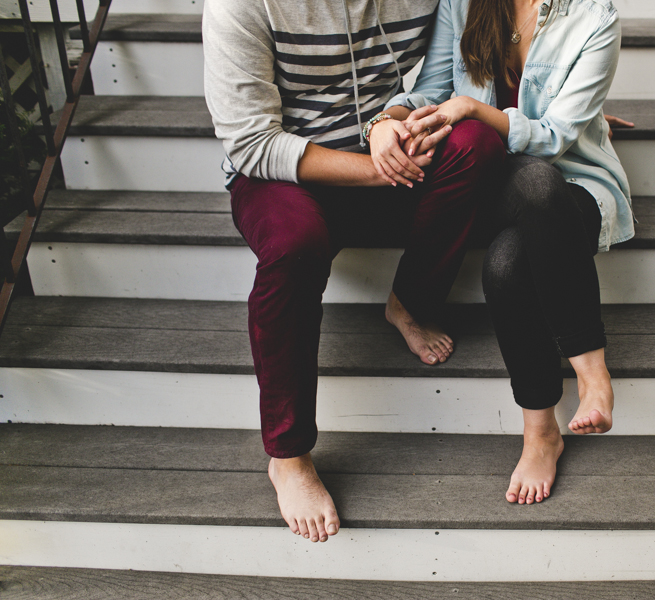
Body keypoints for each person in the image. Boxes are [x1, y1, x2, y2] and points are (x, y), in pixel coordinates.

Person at [202, 0, 506, 542]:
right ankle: (289, 456)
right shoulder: (241, 5)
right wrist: (377, 168)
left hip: (384, 149)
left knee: (476, 143)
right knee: (295, 244)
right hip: (284, 173)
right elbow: (252, 144)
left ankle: (409, 304)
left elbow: (472, 54)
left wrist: (561, 110)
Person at [370, 0, 635, 506]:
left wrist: (475, 108)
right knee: (532, 185)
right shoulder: (463, 3)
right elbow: (431, 89)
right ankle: (591, 371)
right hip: (492, 179)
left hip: (575, 184)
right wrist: (389, 119)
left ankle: (541, 433)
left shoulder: (595, 18)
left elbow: (555, 138)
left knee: (508, 263)